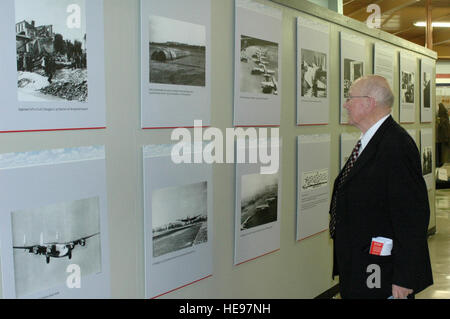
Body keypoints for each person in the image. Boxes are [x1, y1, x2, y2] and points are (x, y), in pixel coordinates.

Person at [330, 75, 433, 299]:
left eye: (350, 98)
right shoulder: (371, 141)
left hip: (381, 271)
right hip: (362, 264)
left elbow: (413, 216)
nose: (346, 104)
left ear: (369, 103)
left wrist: (405, 277)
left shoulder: (396, 146)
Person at [436, 103, 450, 167]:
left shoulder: (443, 120)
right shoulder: (445, 118)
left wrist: (446, 138)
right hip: (443, 140)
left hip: (444, 140)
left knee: (444, 156)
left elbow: (446, 131)